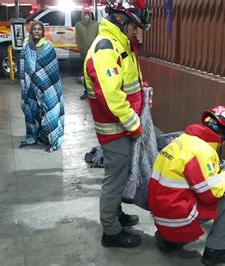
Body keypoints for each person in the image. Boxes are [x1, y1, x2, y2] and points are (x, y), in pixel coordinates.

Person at [83, 0, 152, 248]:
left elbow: (126, 83)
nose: (137, 32)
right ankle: (111, 232)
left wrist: (142, 92)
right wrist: (135, 125)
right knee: (115, 179)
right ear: (121, 21)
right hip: (115, 131)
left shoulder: (121, 45)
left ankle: (116, 214)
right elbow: (111, 96)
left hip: (122, 128)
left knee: (122, 176)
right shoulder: (106, 49)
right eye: (135, 26)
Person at [148, 105, 225, 265]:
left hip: (162, 216)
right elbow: (210, 194)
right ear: (224, 137)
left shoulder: (182, 140)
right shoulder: (203, 151)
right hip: (176, 220)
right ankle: (217, 251)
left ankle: (168, 240)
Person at [19, 21, 65, 152]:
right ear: (31, 31)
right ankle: (34, 135)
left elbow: (52, 69)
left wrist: (42, 79)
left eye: (39, 29)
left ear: (43, 31)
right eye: (35, 29)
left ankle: (52, 139)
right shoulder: (26, 46)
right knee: (32, 110)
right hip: (31, 86)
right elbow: (24, 68)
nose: (37, 31)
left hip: (48, 86)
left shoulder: (48, 46)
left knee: (50, 110)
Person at [75, 5, 99, 100]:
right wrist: (82, 49)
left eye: (88, 14)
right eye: (85, 15)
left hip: (95, 54)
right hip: (84, 53)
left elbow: (98, 37)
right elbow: (78, 39)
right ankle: (86, 91)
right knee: (85, 73)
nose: (86, 17)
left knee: (95, 73)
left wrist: (96, 50)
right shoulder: (78, 25)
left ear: (90, 15)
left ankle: (96, 91)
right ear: (82, 15)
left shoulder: (95, 24)